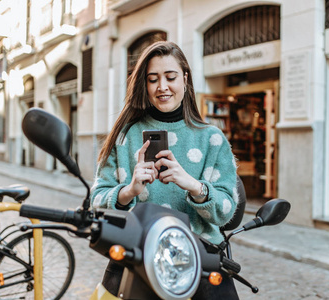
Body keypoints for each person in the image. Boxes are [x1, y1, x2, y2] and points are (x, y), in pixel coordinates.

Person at [91, 41, 239, 299]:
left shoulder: (212, 139)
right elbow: (97, 202)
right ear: (144, 85)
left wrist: (194, 186)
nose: (162, 87)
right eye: (152, 79)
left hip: (198, 258)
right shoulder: (124, 136)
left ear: (184, 78)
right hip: (136, 253)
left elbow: (226, 211)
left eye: (170, 77)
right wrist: (128, 191)